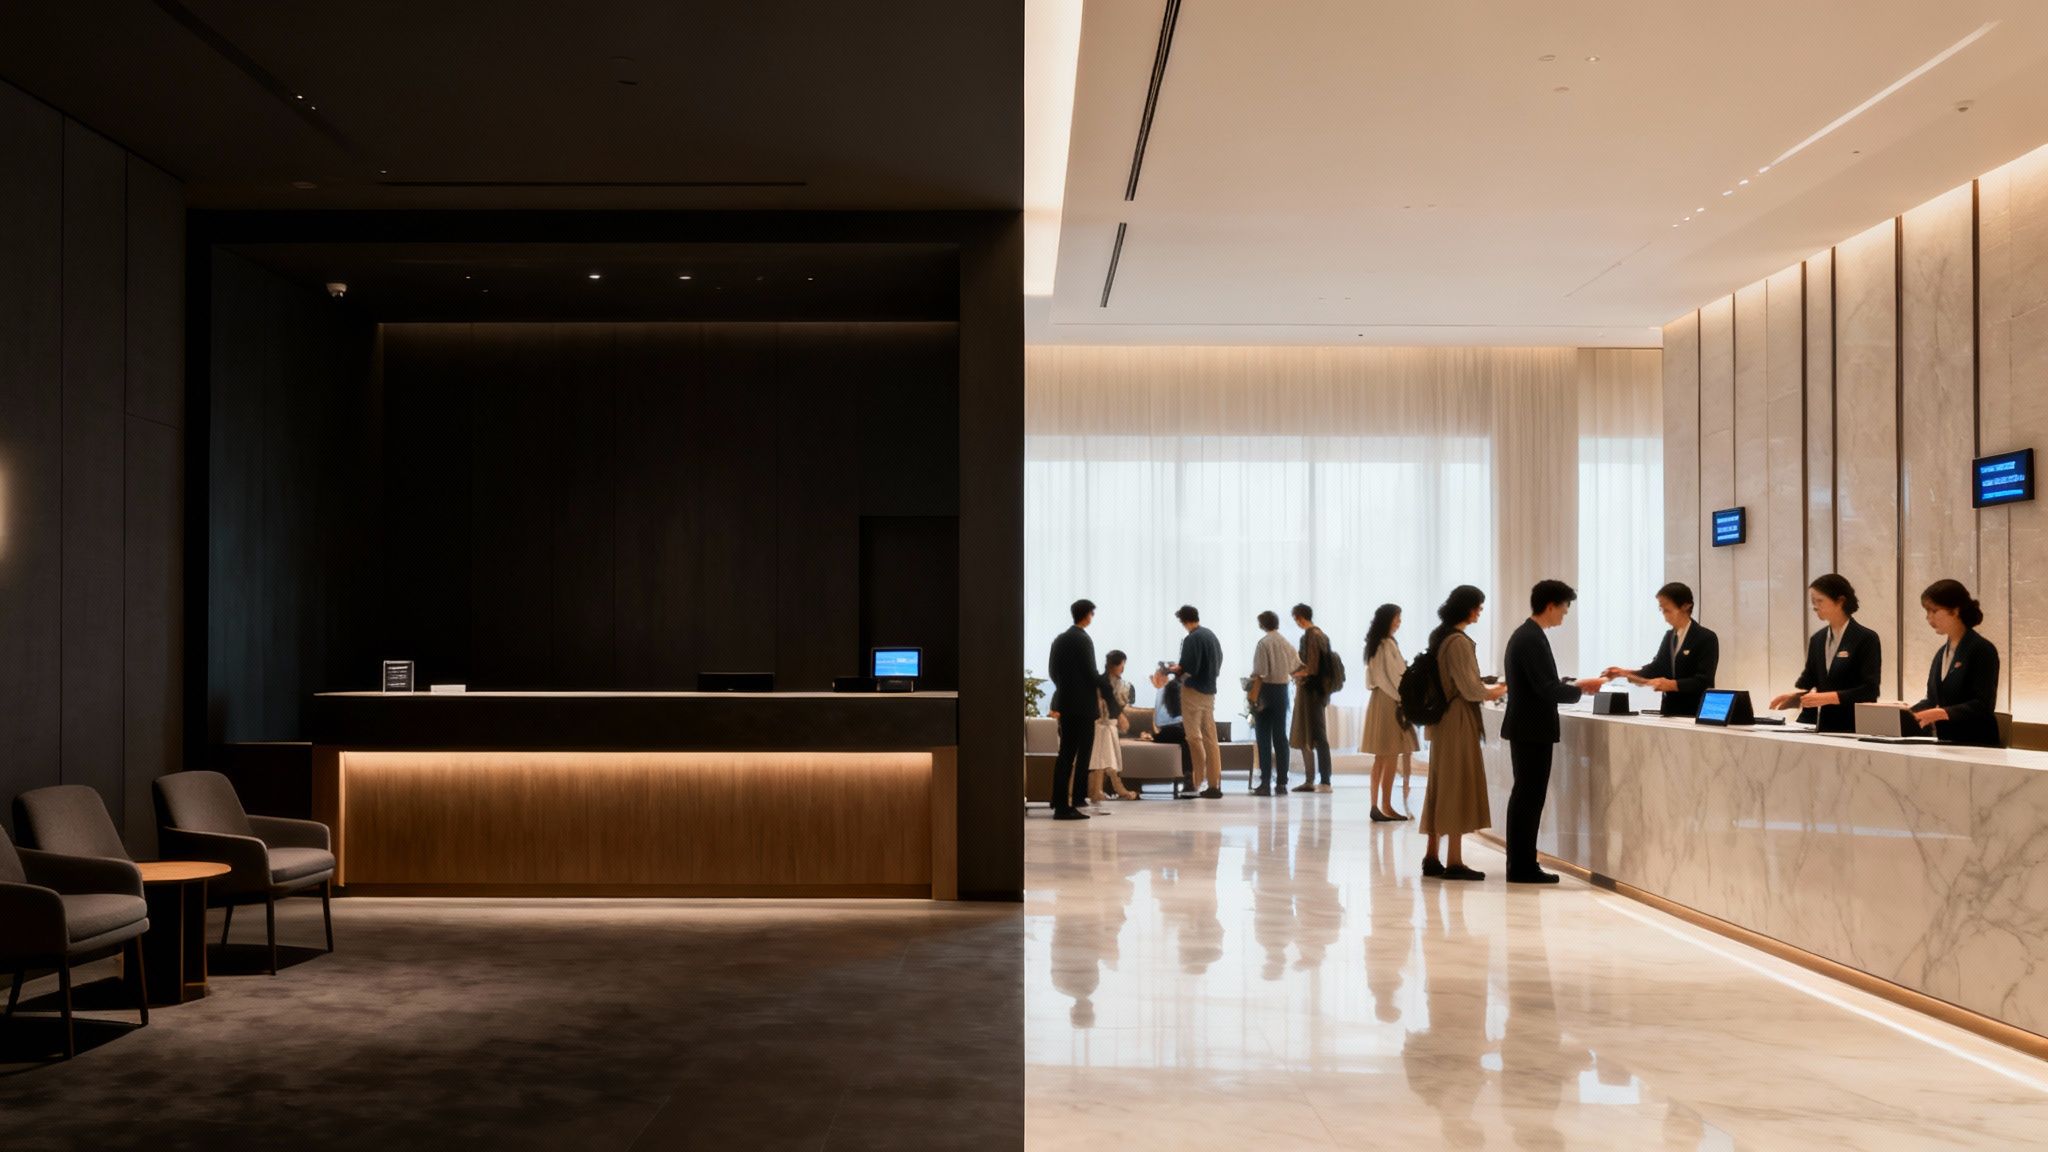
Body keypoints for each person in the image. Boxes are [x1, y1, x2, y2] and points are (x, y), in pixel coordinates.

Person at [1501, 580, 1607, 885]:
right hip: (1532, 729)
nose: (1564, 615)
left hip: (1528, 728)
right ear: (1551, 605)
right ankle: (1522, 866)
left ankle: (1521, 863)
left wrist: (1576, 685)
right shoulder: (1531, 639)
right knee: (1528, 798)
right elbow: (1546, 689)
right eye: (1564, 608)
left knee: (1525, 796)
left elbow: (1543, 682)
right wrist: (1577, 689)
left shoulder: (1527, 635)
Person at [1420, 585, 1508, 881]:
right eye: (1479, 607)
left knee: (1440, 785)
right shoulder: (1458, 641)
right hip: (1457, 719)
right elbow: (1470, 689)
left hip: (1444, 719)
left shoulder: (1441, 636)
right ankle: (1454, 861)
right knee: (1456, 785)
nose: (1480, 612)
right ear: (1468, 608)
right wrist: (1498, 689)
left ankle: (1432, 856)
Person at [1769, 573, 1882, 732]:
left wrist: (1827, 698)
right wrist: (1795, 698)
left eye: (1819, 601)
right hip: (1817, 725)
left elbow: (1869, 691)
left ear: (1840, 601)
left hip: (1852, 726)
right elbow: (1810, 681)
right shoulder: (1817, 639)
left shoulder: (1865, 638)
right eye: (1813, 602)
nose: (1814, 606)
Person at [1600, 582, 1720, 717]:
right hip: (1670, 711)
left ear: (1686, 606)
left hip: (1696, 711)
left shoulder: (1706, 637)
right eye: (1662, 610)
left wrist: (1672, 685)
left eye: (1668, 610)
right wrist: (1625, 673)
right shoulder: (1669, 636)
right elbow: (1657, 667)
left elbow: (1704, 680)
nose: (1665, 615)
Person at [1909, 579, 2003, 747]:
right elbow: (1932, 699)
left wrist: (1942, 713)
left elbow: (1983, 704)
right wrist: (1905, 713)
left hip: (1977, 743)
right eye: (1927, 611)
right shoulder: (1941, 654)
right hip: (1947, 743)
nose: (1928, 617)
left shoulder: (1982, 649)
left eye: (1934, 611)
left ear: (1955, 611)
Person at [1359, 603, 1419, 822]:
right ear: (1388, 620)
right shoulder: (1386, 644)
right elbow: (1395, 677)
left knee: (1381, 757)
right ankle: (1385, 805)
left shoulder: (1375, 644)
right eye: (1397, 618)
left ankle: (1377, 805)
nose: (1399, 622)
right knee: (1391, 754)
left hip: (1379, 700)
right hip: (1390, 700)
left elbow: (1377, 677)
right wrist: (1405, 697)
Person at [1047, 598, 1099, 820]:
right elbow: (1090, 673)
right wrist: (1103, 684)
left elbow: (1052, 671)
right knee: (1082, 752)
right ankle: (1070, 802)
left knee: (1065, 754)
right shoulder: (1084, 640)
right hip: (1084, 706)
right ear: (1087, 614)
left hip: (1065, 703)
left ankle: (1061, 800)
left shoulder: (1059, 640)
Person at [1169, 605, 1225, 799]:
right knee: (1211, 738)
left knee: (1193, 737)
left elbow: (1187, 667)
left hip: (1193, 691)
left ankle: (1196, 781)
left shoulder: (1191, 638)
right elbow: (1219, 660)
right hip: (1209, 691)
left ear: (1183, 621)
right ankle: (1214, 784)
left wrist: (1173, 669)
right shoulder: (1211, 636)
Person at [1249, 611, 1300, 795]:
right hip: (1282, 691)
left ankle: (1264, 783)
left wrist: (1252, 696)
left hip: (1265, 691)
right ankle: (1282, 783)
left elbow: (1260, 672)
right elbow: (1296, 667)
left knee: (1263, 738)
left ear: (1263, 624)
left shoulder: (1264, 643)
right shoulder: (1286, 643)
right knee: (1280, 738)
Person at [1289, 603, 1334, 793]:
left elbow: (1311, 668)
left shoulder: (1311, 636)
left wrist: (1296, 673)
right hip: (1319, 691)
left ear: (1300, 617)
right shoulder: (1321, 634)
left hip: (1311, 692)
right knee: (1317, 734)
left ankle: (1320, 780)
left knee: (1314, 734)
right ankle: (1319, 779)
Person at [1088, 650, 1140, 806]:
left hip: (1108, 725)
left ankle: (1099, 791)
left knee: (1105, 758)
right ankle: (1109, 790)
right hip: (1102, 724)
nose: (1122, 668)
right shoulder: (1105, 683)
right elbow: (1110, 702)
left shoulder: (1119, 683)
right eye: (1122, 664)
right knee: (1104, 758)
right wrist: (1119, 716)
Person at [1147, 665, 1195, 794]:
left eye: (1156, 676)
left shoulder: (1168, 689)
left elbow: (1161, 720)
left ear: (1163, 677)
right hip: (1178, 729)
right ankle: (1189, 777)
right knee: (1185, 742)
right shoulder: (1171, 688)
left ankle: (1189, 778)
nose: (1152, 678)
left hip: (1173, 729)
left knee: (1181, 740)